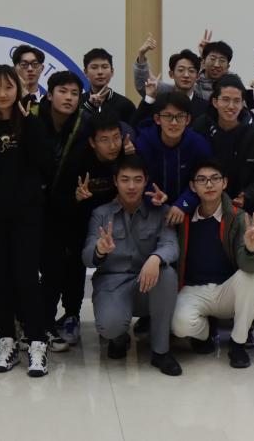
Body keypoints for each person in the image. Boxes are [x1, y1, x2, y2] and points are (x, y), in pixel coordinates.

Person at [0, 65, 51, 376]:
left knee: (27, 278)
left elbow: (46, 164)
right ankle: (6, 340)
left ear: (18, 89)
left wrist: (29, 125)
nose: (2, 94)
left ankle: (37, 341)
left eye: (8, 87)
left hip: (27, 216)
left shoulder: (31, 123)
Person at [82, 155, 182, 376]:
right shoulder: (101, 214)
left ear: (146, 181)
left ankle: (160, 351)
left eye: (137, 180)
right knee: (110, 327)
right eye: (125, 179)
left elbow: (171, 246)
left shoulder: (161, 211)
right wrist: (99, 250)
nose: (131, 186)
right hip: (112, 285)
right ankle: (118, 338)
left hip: (147, 283)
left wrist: (155, 258)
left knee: (167, 274)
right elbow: (87, 257)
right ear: (115, 181)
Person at [171, 160, 254, 369]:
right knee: (180, 325)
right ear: (193, 186)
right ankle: (204, 334)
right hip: (193, 290)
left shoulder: (238, 218)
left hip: (226, 290)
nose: (209, 184)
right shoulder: (183, 218)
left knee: (253, 280)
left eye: (215, 179)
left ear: (224, 183)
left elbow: (251, 266)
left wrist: (251, 249)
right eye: (202, 180)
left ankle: (238, 343)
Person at [50, 111, 133, 346]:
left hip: (112, 222)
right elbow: (58, 200)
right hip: (76, 220)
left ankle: (119, 314)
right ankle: (71, 315)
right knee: (72, 265)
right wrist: (76, 197)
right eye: (105, 140)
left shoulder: (126, 157)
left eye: (116, 138)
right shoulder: (76, 160)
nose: (112, 145)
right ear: (92, 142)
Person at [38, 70, 87, 351]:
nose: (69, 98)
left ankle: (71, 315)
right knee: (47, 268)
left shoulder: (84, 125)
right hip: (36, 208)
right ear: (49, 94)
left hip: (72, 207)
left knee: (72, 265)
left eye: (74, 93)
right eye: (63, 92)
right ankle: (40, 322)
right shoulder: (32, 121)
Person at [191, 74, 254, 216]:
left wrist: (248, 195)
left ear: (242, 103)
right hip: (204, 206)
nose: (231, 106)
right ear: (215, 102)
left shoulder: (253, 134)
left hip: (244, 209)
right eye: (225, 100)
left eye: (236, 101)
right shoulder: (200, 128)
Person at [132, 91, 212, 226]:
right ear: (157, 119)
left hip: (190, 209)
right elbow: (138, 178)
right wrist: (151, 196)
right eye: (168, 116)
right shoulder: (143, 143)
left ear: (188, 120)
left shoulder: (199, 145)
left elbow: (205, 181)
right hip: (150, 209)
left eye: (180, 116)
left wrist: (183, 204)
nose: (174, 123)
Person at [132, 48, 209, 123]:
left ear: (197, 76)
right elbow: (136, 125)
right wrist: (149, 98)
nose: (186, 75)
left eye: (191, 71)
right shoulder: (159, 102)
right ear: (171, 74)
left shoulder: (205, 107)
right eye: (181, 70)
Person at [80, 48, 135, 124]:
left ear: (112, 71)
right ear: (85, 72)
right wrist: (89, 105)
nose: (100, 72)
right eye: (94, 67)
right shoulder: (78, 102)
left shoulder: (125, 105)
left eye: (104, 67)